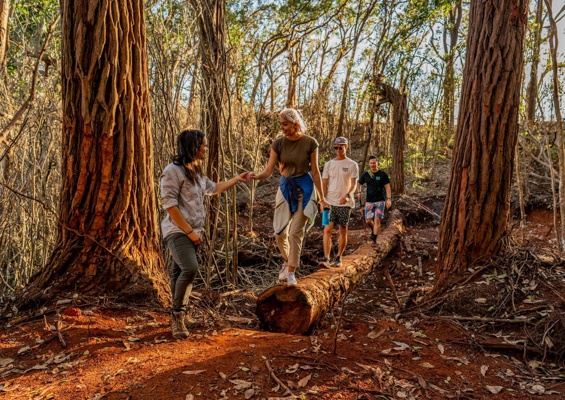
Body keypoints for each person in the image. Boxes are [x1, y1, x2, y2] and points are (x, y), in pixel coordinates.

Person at [160, 129, 251, 339]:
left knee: (178, 273)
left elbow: (213, 188)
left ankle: (176, 313)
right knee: (190, 268)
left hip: (193, 231)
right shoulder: (172, 171)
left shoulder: (196, 171)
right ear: (194, 146)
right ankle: (178, 315)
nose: (206, 149)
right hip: (177, 230)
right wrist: (190, 232)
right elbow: (170, 205)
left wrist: (237, 179)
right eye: (204, 145)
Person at [251, 108, 328, 285]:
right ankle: (287, 261)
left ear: (295, 124)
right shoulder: (278, 144)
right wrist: (256, 176)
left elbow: (315, 172)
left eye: (285, 124)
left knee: (295, 232)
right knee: (279, 233)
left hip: (306, 189)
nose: (282, 128)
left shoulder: (310, 142)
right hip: (286, 187)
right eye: (281, 124)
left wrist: (322, 198)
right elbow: (269, 170)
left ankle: (292, 271)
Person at [319, 137, 359, 268]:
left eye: (340, 147)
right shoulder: (328, 164)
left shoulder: (352, 164)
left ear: (346, 147)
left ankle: (338, 257)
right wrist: (322, 200)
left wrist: (348, 195)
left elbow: (354, 184)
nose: (338, 150)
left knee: (343, 230)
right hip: (329, 202)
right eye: (336, 147)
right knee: (327, 229)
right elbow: (324, 183)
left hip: (344, 203)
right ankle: (326, 258)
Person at [356, 156, 391, 246]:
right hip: (369, 201)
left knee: (377, 220)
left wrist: (389, 199)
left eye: (374, 163)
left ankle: (374, 239)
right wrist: (359, 192)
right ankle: (373, 230)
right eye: (371, 163)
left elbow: (387, 187)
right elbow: (359, 183)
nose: (372, 165)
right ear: (369, 164)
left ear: (377, 163)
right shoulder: (366, 174)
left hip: (380, 201)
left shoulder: (382, 174)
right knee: (368, 221)